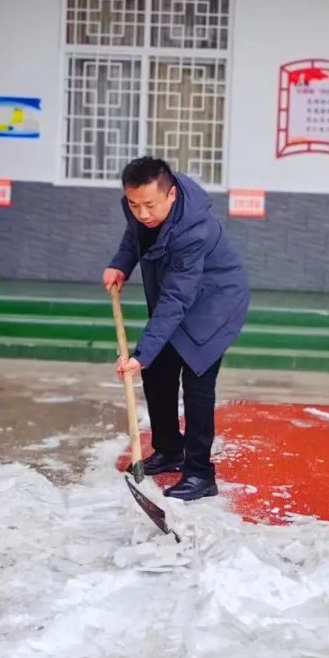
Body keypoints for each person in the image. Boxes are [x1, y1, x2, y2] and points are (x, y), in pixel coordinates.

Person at [103, 157, 250, 501]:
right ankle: (170, 450)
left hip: (213, 303)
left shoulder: (192, 230)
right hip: (178, 296)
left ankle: (200, 474)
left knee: (197, 383)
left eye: (149, 205)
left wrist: (140, 355)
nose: (142, 213)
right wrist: (121, 264)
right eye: (134, 205)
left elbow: (175, 299)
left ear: (170, 195)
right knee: (157, 372)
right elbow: (135, 235)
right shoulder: (143, 205)